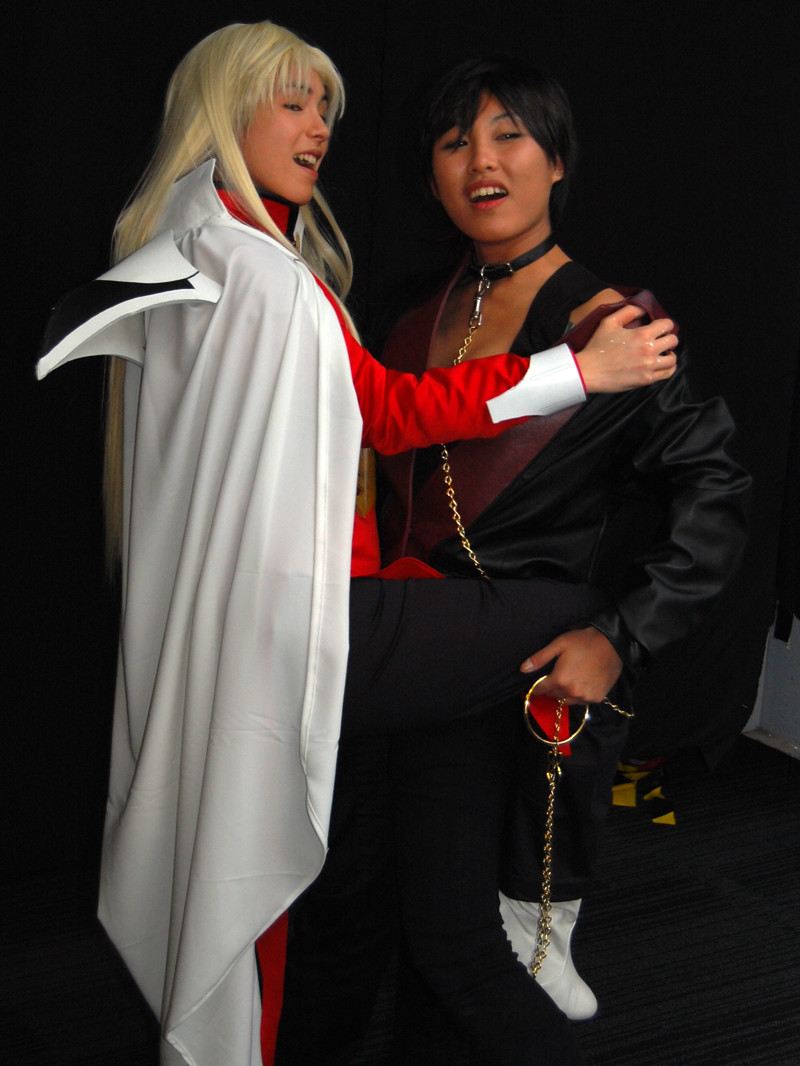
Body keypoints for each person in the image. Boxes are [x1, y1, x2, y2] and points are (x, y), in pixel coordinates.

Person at [36, 25, 678, 1066]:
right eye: (290, 101)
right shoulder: (261, 271)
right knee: (578, 616)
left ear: (556, 160)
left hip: (299, 629)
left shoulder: (190, 241)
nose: (317, 128)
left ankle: (516, 914)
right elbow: (384, 412)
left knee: (341, 919)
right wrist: (578, 371)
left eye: (324, 107)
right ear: (223, 108)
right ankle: (542, 905)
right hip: (311, 628)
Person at [378, 56, 750, 1059]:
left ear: (556, 161)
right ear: (429, 176)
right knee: (392, 927)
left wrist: (621, 636)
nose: (481, 161)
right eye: (454, 141)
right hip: (402, 645)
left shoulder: (611, 325)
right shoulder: (412, 311)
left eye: (509, 136)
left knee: (458, 944)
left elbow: (715, 490)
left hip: (508, 667)